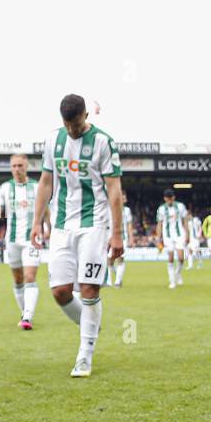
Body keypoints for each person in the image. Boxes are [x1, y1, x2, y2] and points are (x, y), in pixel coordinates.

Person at [30, 94, 124, 377]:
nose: (71, 130)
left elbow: (114, 190)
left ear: (86, 115)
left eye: (76, 123)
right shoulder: (52, 141)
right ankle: (89, 324)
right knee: (59, 291)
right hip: (61, 225)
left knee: (88, 289)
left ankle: (85, 354)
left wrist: (117, 234)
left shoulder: (103, 142)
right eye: (67, 124)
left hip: (94, 223)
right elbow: (46, 182)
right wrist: (36, 222)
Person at [0, 152, 42, 326]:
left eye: (20, 165)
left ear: (27, 166)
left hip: (32, 239)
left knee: (30, 276)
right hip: (11, 240)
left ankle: (28, 317)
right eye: (14, 166)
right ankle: (24, 312)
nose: (17, 169)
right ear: (10, 168)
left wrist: (47, 227)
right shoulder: (5, 188)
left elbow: (46, 210)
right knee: (18, 279)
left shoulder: (37, 186)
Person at [155, 189, 187, 288]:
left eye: (171, 198)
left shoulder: (180, 206)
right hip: (167, 236)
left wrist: (187, 234)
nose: (169, 200)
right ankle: (172, 280)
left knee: (181, 258)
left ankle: (177, 273)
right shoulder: (161, 209)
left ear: (174, 197)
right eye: (167, 198)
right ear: (165, 198)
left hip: (179, 234)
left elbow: (184, 221)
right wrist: (158, 238)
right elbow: (159, 224)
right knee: (171, 257)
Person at [109, 191, 133, 287]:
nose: (125, 199)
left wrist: (131, 237)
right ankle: (112, 279)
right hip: (110, 237)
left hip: (123, 237)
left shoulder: (127, 210)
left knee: (120, 258)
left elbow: (129, 225)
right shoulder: (109, 209)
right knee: (109, 261)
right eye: (123, 198)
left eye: (125, 198)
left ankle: (118, 281)